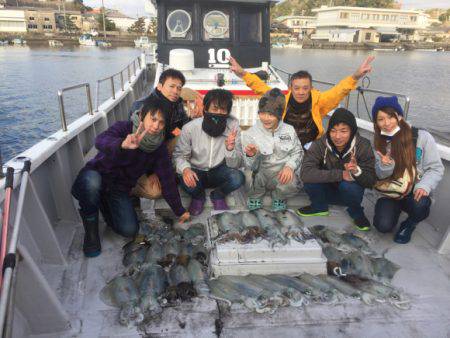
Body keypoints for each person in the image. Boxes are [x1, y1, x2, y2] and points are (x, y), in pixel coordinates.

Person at [72, 99, 190, 258]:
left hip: (119, 188)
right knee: (91, 184)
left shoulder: (159, 148)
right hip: (98, 174)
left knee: (129, 230)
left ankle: (104, 204)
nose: (156, 126)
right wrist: (121, 144)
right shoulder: (124, 127)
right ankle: (91, 232)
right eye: (153, 119)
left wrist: (180, 211)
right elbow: (100, 141)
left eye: (161, 123)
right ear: (142, 116)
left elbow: (167, 180)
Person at [229, 56, 375, 149]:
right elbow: (261, 88)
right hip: (285, 143)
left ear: (311, 88)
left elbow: (339, 91)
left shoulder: (320, 101)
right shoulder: (281, 100)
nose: (301, 92)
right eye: (297, 88)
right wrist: (242, 73)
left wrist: (355, 76)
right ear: (290, 88)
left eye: (305, 88)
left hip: (310, 145)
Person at [371, 96, 444, 244]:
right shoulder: (379, 142)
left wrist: (424, 186)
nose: (387, 123)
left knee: (421, 205)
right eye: (381, 119)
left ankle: (410, 224)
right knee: (382, 226)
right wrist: (385, 165)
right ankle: (393, 211)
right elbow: (378, 175)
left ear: (400, 116)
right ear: (376, 123)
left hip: (414, 192)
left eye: (391, 116)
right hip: (390, 192)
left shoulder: (422, 137)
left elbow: (436, 168)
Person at [297, 108, 376, 231]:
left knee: (349, 186)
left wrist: (356, 171)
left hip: (349, 195)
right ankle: (319, 206)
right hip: (326, 192)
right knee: (310, 179)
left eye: (343, 131)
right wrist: (341, 174)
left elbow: (371, 181)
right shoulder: (320, 144)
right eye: (333, 131)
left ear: (352, 131)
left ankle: (356, 212)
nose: (337, 136)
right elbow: (305, 173)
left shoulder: (363, 145)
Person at [225, 88, 303, 211]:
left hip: (280, 175)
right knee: (248, 176)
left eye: (271, 114)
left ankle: (278, 197)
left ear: (280, 115)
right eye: (262, 113)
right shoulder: (250, 133)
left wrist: (290, 167)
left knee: (294, 180)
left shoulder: (289, 130)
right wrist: (251, 155)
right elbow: (248, 165)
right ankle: (255, 197)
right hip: (260, 175)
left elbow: (298, 152)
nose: (266, 118)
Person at [173, 89, 245, 216]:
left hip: (219, 169)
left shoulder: (233, 128)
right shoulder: (190, 128)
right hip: (197, 170)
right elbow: (179, 156)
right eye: (215, 108)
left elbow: (237, 164)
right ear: (205, 109)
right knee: (184, 180)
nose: (219, 113)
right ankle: (198, 196)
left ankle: (218, 195)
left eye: (223, 110)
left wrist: (229, 149)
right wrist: (185, 169)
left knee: (238, 178)